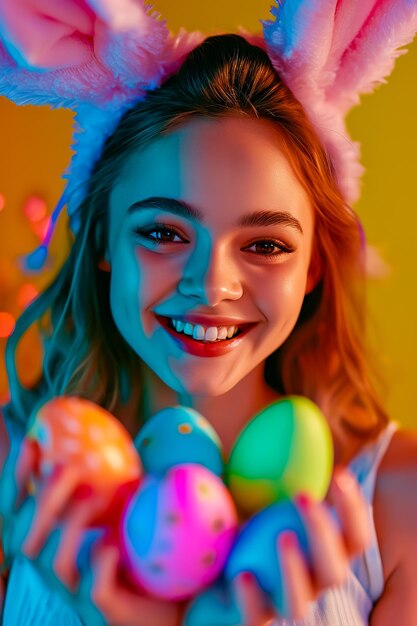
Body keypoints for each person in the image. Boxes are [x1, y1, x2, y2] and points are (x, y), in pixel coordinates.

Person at [1, 2, 417, 625]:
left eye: (266, 245)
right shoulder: (20, 470)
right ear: (102, 243)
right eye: (165, 233)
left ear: (312, 269)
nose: (213, 286)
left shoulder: (397, 499)